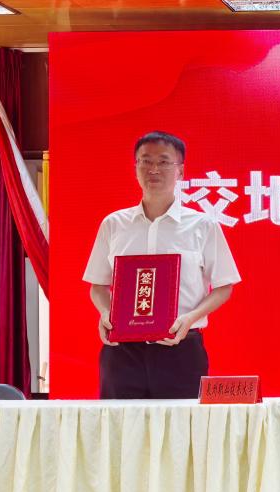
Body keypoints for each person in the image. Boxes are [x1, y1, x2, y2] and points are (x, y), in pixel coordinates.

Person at [83, 131, 241, 399]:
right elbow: (98, 285)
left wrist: (190, 318)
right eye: (145, 161)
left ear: (181, 171)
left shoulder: (202, 225)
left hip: (181, 348)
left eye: (164, 162)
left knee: (181, 424)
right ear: (135, 167)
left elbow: (224, 286)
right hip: (122, 352)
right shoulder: (114, 224)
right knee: (121, 423)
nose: (153, 169)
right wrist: (106, 312)